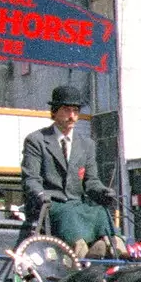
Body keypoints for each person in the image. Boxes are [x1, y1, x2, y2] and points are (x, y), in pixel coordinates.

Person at [21, 84, 119, 258]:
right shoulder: (37, 140)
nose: (72, 116)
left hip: (76, 203)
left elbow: (91, 181)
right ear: (54, 112)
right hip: (50, 204)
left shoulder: (86, 144)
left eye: (76, 111)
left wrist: (103, 192)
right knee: (69, 213)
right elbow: (31, 178)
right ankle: (80, 253)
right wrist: (40, 194)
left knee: (100, 211)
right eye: (67, 110)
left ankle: (113, 246)